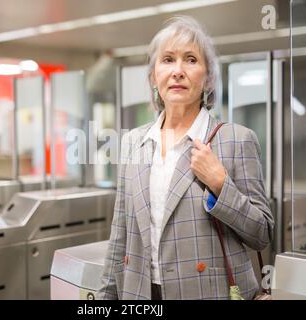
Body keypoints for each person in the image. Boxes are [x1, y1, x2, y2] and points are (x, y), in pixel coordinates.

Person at [97, 15, 274, 300]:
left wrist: (220, 184)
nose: (178, 71)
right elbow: (120, 237)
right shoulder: (133, 143)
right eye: (168, 59)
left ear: (207, 78)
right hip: (141, 294)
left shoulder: (236, 139)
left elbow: (262, 234)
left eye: (191, 59)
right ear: (154, 76)